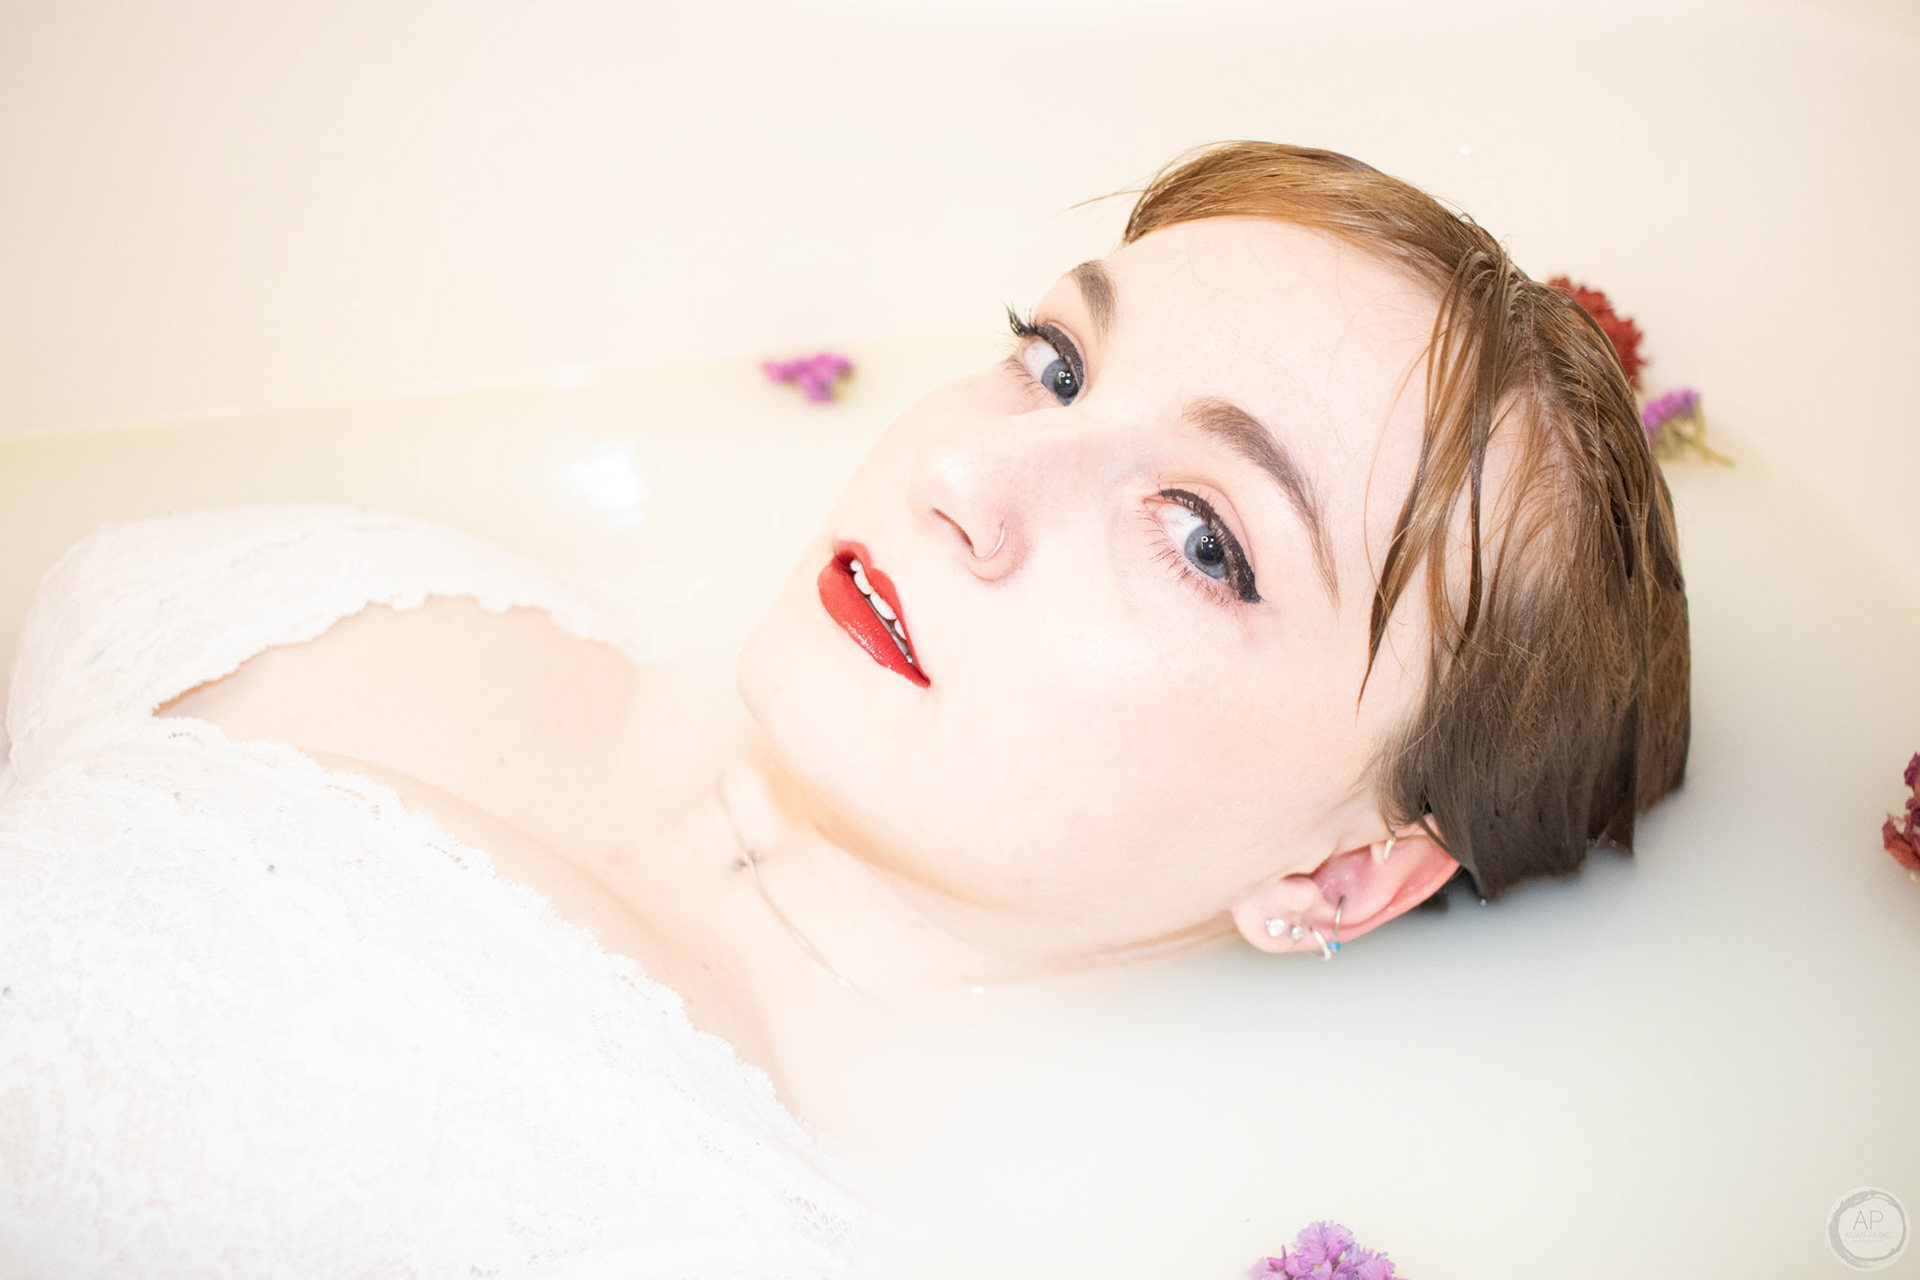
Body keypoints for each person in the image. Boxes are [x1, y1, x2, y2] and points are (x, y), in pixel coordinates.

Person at [0, 142, 1689, 1275]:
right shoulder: (428, 586)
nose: (965, 471)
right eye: (1056, 363)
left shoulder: (708, 1232)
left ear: (1341, 875)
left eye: (1201, 538)